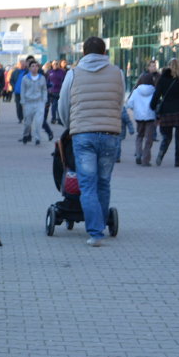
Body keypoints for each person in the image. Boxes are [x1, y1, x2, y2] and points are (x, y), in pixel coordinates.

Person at [58, 36, 124, 247]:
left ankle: (95, 233)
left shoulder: (73, 73)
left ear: (84, 52)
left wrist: (70, 125)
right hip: (109, 134)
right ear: (104, 52)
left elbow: (63, 103)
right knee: (103, 182)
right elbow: (119, 101)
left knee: (87, 185)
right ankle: (100, 225)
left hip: (83, 134)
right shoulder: (117, 73)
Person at [150, 58, 179, 167]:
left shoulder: (163, 78)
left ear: (168, 66)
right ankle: (178, 160)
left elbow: (157, 94)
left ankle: (161, 153)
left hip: (166, 110)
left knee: (167, 136)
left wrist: (152, 106)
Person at [126, 71, 157, 166]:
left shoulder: (136, 91)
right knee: (148, 139)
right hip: (150, 117)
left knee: (139, 136)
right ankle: (146, 159)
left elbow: (129, 104)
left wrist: (136, 109)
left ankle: (138, 154)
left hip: (139, 117)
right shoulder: (154, 91)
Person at [19, 59, 49, 145]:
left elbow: (44, 90)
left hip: (39, 103)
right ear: (29, 68)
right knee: (28, 122)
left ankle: (37, 138)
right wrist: (23, 102)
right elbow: (22, 90)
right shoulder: (25, 78)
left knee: (38, 122)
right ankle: (25, 135)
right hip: (28, 103)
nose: (35, 68)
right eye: (32, 66)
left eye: (36, 66)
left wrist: (44, 100)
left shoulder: (42, 78)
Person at [46, 59, 67, 124]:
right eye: (54, 64)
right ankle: (53, 118)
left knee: (60, 106)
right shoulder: (49, 72)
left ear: (59, 64)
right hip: (52, 92)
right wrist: (48, 89)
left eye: (56, 64)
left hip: (60, 91)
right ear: (52, 65)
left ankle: (60, 119)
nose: (55, 65)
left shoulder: (62, 72)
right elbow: (47, 81)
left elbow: (65, 81)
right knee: (54, 105)